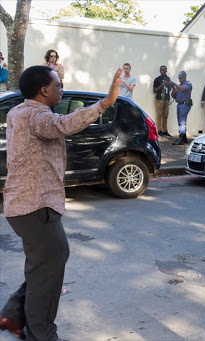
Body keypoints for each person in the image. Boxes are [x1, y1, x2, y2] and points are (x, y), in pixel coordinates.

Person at [0, 65, 122, 340]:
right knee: (47, 273)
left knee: (50, 262)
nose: (62, 88)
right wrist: (105, 102)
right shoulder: (36, 116)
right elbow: (64, 125)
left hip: (24, 205)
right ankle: (42, 334)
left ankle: (14, 313)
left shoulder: (17, 111)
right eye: (58, 84)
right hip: (35, 206)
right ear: (44, 90)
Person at [170, 70, 192, 145]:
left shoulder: (188, 84)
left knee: (182, 121)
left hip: (185, 104)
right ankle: (184, 137)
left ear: (185, 77)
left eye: (181, 78)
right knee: (180, 121)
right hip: (179, 104)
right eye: (179, 78)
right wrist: (173, 89)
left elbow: (183, 89)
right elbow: (173, 96)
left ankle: (181, 137)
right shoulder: (179, 85)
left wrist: (174, 84)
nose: (180, 79)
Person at [153, 65, 173, 137]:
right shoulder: (157, 79)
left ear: (166, 71)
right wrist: (162, 85)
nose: (162, 71)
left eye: (164, 70)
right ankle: (159, 130)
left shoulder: (168, 78)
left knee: (165, 115)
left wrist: (170, 84)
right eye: (161, 70)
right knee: (159, 115)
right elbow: (154, 90)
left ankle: (165, 130)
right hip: (159, 99)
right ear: (159, 70)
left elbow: (170, 89)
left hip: (167, 99)